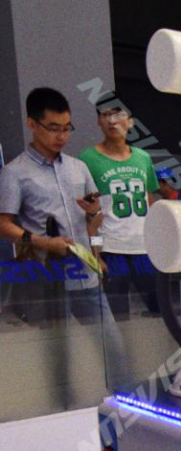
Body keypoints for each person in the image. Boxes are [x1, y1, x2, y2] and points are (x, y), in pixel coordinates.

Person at [0, 87, 124, 395]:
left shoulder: (78, 168)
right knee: (61, 358)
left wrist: (97, 246)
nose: (61, 136)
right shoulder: (15, 173)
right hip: (50, 280)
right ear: (32, 124)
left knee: (114, 350)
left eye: (67, 128)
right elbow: (4, 225)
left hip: (87, 276)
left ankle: (124, 408)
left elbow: (96, 218)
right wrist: (42, 242)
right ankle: (63, 409)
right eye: (53, 128)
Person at [79, 98, 160, 318]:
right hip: (112, 250)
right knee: (118, 317)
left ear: (130, 121)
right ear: (98, 121)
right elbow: (87, 215)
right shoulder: (87, 159)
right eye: (106, 115)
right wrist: (95, 254)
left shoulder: (143, 158)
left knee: (160, 312)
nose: (112, 121)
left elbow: (150, 200)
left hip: (144, 249)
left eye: (118, 115)